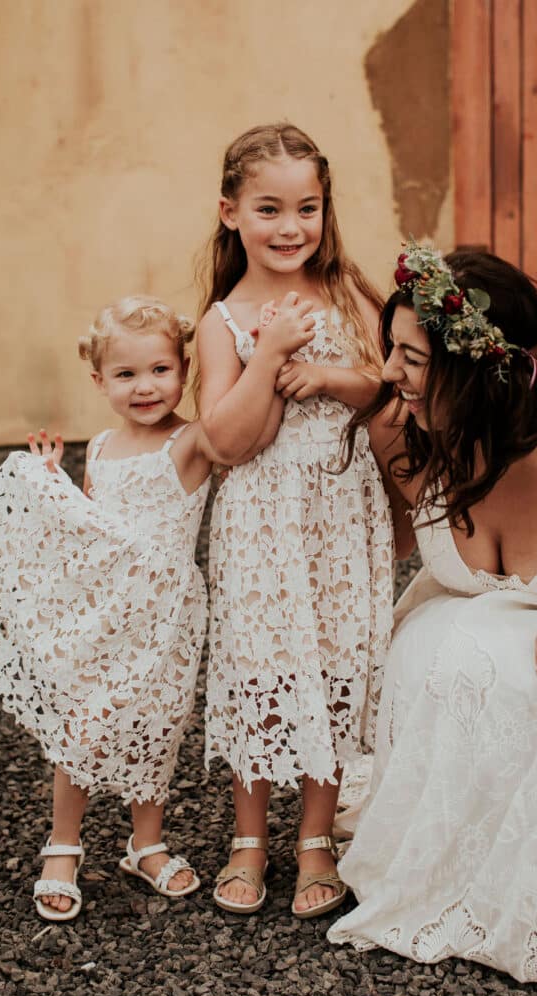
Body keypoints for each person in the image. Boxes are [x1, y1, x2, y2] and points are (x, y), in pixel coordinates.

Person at [327, 243, 537, 980]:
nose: (390, 372)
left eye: (410, 358)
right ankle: (449, 857)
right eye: (391, 350)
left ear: (478, 365)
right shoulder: (402, 432)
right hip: (453, 630)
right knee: (450, 669)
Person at [0, 297, 220, 921]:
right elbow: (91, 525)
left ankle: (146, 841)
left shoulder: (191, 441)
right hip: (102, 613)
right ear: (99, 380)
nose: (145, 387)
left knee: (158, 726)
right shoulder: (101, 446)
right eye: (126, 375)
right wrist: (51, 485)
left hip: (162, 618)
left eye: (160, 370)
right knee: (82, 725)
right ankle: (65, 843)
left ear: (183, 370)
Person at [196, 123, 394, 917]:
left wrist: (335, 378)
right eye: (269, 208)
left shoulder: (348, 293)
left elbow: (384, 388)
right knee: (262, 668)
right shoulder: (222, 320)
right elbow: (228, 441)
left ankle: (314, 837)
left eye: (306, 208)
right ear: (230, 212)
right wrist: (269, 354)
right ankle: (250, 837)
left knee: (336, 662)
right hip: (262, 523)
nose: (290, 228)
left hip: (340, 517)